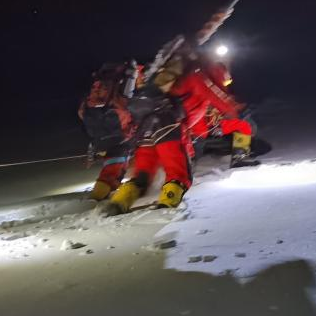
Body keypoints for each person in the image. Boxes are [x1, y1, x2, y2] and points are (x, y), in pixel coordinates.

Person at [105, 42, 248, 215]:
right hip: (167, 127)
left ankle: (119, 202)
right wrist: (237, 110)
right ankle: (167, 207)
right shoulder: (200, 74)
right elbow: (219, 98)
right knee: (178, 174)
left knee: (142, 174)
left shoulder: (164, 80)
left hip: (144, 128)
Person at [79, 61, 140, 201]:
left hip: (99, 140)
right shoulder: (120, 86)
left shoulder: (95, 89)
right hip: (121, 139)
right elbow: (129, 103)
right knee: (114, 169)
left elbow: (82, 113)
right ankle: (98, 197)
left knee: (114, 165)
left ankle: (106, 190)